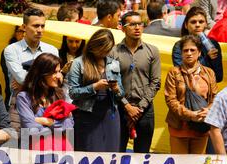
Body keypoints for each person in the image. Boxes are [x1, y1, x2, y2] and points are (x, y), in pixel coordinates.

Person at [109, 11, 161, 153]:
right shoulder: (113, 52)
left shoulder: (152, 51)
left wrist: (139, 108)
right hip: (120, 109)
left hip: (145, 110)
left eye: (140, 24)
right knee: (116, 153)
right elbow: (111, 82)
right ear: (123, 28)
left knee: (143, 156)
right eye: (132, 24)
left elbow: (156, 82)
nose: (137, 27)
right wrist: (127, 106)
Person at [3, 8, 59, 136]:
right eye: (35, 26)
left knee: (47, 144)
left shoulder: (52, 50)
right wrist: (44, 78)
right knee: (19, 146)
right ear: (24, 27)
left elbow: (54, 78)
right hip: (19, 104)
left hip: (46, 103)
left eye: (42, 26)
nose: (40, 30)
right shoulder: (11, 50)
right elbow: (21, 78)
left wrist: (26, 82)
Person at [67, 29, 124, 152]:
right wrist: (94, 87)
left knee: (111, 153)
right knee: (87, 152)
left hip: (111, 114)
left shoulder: (114, 64)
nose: (105, 53)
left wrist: (116, 89)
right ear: (94, 46)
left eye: (108, 50)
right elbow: (73, 93)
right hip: (86, 115)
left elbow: (121, 94)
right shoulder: (78, 63)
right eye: (103, 50)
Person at [164, 35, 218, 154]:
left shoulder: (209, 73)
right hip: (179, 127)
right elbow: (171, 100)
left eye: (192, 50)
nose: (189, 53)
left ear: (199, 53)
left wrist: (208, 111)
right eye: (185, 50)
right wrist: (191, 114)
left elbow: (214, 98)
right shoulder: (174, 72)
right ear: (181, 53)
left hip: (201, 126)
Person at [16, 53, 74, 151]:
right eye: (54, 72)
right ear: (42, 74)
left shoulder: (59, 94)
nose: (59, 76)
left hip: (62, 148)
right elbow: (31, 128)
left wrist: (43, 121)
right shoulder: (24, 97)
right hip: (36, 150)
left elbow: (69, 124)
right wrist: (57, 126)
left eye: (59, 71)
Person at [172, 6, 223, 83]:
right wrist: (207, 58)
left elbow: (218, 77)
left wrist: (212, 60)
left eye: (201, 22)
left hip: (207, 92)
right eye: (193, 22)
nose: (197, 25)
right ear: (186, 25)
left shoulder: (213, 45)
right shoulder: (179, 46)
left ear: (206, 24)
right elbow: (184, 75)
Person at [1, 25, 25, 109]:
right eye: (20, 31)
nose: (23, 34)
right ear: (15, 33)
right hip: (12, 95)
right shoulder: (8, 51)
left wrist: (24, 82)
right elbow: (12, 75)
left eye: (25, 31)